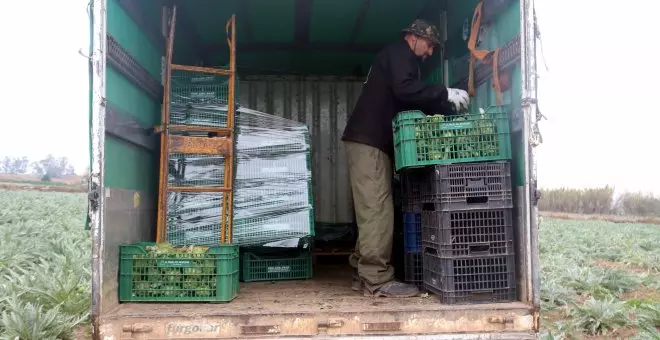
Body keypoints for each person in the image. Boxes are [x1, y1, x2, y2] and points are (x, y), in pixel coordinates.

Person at [341, 19, 470, 298]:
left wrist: (442, 102)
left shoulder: (398, 58)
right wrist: (445, 92)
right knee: (377, 209)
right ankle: (376, 278)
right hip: (369, 141)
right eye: (430, 45)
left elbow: (411, 96)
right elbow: (406, 89)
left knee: (372, 207)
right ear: (413, 38)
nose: (430, 52)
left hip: (369, 142)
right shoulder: (399, 54)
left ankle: (361, 272)